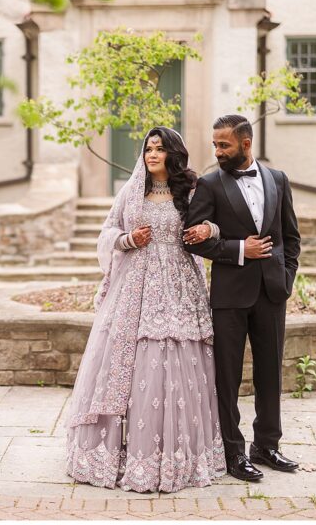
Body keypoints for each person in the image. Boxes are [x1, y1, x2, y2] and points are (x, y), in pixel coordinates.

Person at [66, 127, 226, 493]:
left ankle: (179, 454)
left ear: (173, 153)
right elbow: (107, 231)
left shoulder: (193, 189)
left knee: (177, 362)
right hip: (133, 288)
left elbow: (218, 227)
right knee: (131, 364)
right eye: (148, 148)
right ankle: (123, 454)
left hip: (180, 288)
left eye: (159, 148)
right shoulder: (131, 191)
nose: (152, 154)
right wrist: (128, 239)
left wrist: (207, 229)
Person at [183, 114, 300, 483]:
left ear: (245, 144)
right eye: (215, 144)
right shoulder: (209, 184)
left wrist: (286, 277)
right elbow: (193, 237)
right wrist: (238, 249)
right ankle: (233, 452)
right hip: (230, 296)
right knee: (227, 377)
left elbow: (290, 237)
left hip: (271, 292)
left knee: (270, 373)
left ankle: (266, 445)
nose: (217, 151)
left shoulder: (278, 179)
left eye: (224, 145)